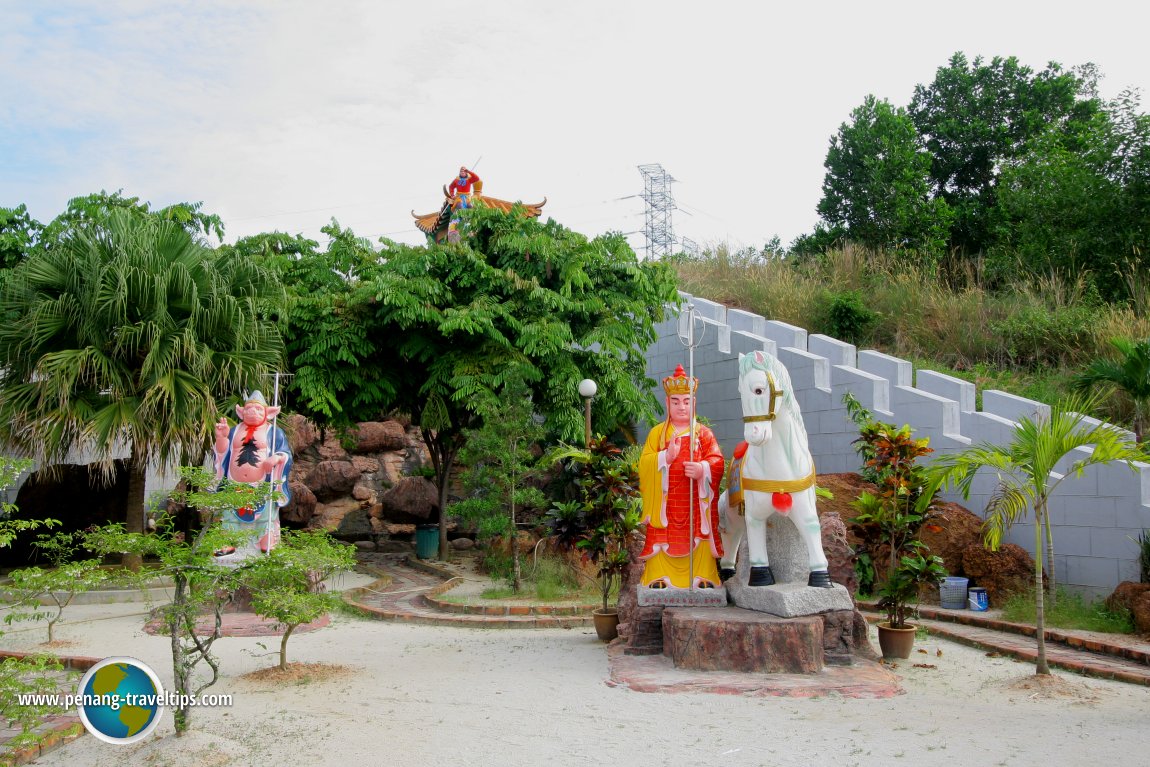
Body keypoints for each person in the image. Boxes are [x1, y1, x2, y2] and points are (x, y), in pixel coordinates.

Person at [637, 364, 724, 588]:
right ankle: (658, 576)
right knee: (661, 537)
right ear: (667, 404)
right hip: (666, 505)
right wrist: (665, 457)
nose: (681, 407)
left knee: (700, 535)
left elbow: (717, 461)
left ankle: (702, 576)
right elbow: (644, 464)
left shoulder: (703, 433)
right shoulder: (657, 434)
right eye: (675, 401)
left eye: (686, 401)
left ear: (694, 403)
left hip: (694, 502)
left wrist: (703, 469)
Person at [212, 390, 292, 559]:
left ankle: (266, 540)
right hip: (234, 483)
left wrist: (277, 457)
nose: (252, 412)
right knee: (230, 516)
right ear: (241, 412)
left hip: (262, 483)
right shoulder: (234, 431)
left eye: (257, 409)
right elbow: (223, 453)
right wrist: (221, 438)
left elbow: (286, 453)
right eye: (248, 409)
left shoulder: (274, 432)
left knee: (265, 515)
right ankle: (228, 541)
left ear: (268, 413)